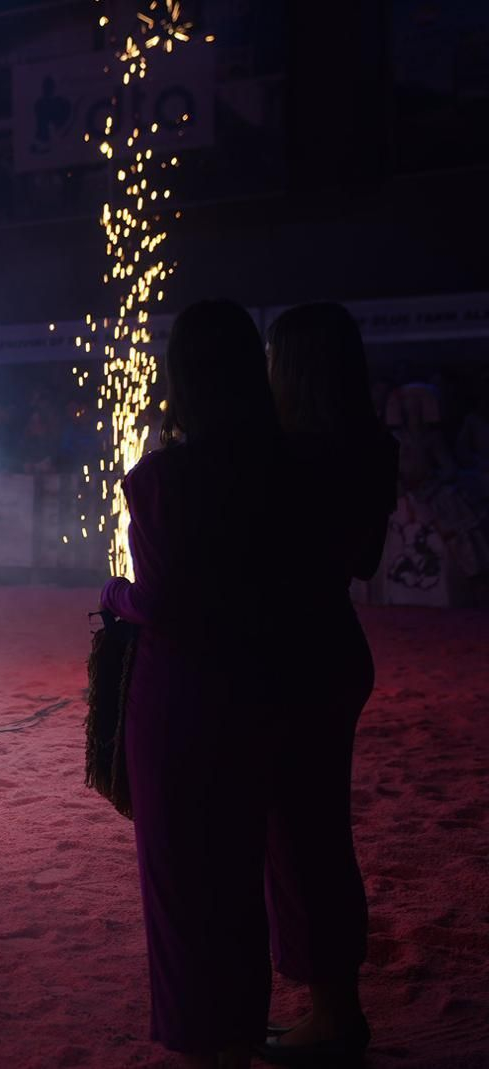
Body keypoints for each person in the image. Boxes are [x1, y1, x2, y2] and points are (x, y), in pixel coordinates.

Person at [100, 300, 285, 1069]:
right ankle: (244, 1027)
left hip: (181, 700)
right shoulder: (285, 467)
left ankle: (204, 1043)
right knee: (243, 869)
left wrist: (117, 595)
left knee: (178, 875)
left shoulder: (162, 480)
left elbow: (166, 603)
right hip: (263, 687)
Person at [258, 303, 399, 1065]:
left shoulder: (289, 458)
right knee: (317, 835)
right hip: (337, 648)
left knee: (301, 842)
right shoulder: (370, 449)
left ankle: (334, 1011)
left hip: (293, 659)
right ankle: (331, 1002)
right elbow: (366, 562)